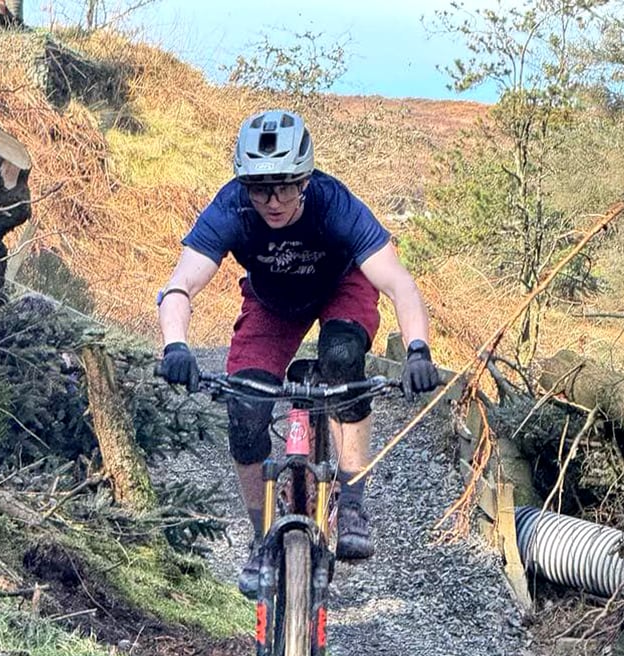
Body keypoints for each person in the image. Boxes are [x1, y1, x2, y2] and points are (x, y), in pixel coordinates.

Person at [157, 109, 439, 597]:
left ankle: (351, 499)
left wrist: (417, 348)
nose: (272, 200)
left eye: (285, 186)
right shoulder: (232, 208)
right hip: (273, 302)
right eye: (259, 187)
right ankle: (260, 537)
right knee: (245, 408)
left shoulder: (334, 203)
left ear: (305, 180)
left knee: (343, 360)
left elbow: (398, 282)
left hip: (341, 289)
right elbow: (181, 284)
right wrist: (175, 345)